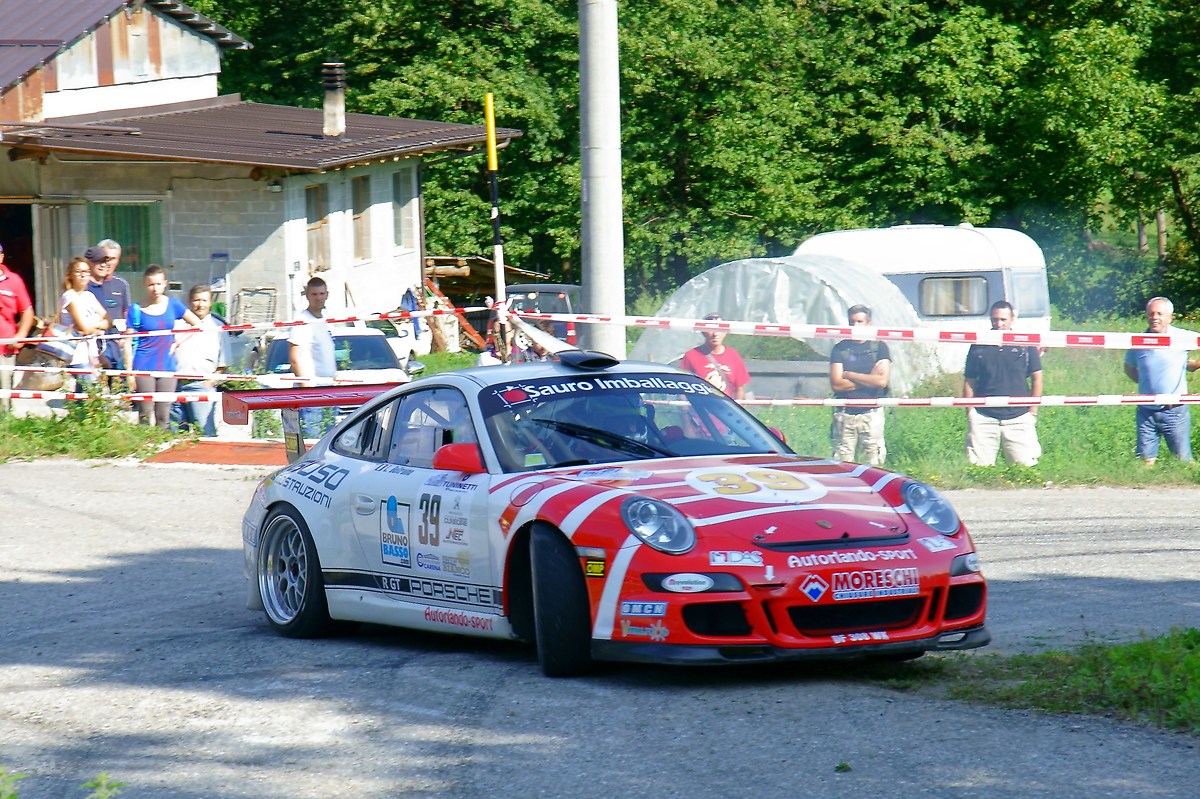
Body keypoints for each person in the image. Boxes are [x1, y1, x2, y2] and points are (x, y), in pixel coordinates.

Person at [962, 300, 1043, 467]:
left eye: (1003, 320)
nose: (998, 324)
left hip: (1018, 417)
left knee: (1025, 470)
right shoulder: (979, 345)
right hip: (984, 418)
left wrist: (1032, 412)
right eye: (995, 319)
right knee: (978, 471)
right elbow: (969, 381)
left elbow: (1037, 378)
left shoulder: (1025, 344)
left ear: (1012, 319)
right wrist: (970, 413)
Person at [1123, 296, 1200, 465]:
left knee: (1184, 462)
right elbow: (1128, 368)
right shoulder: (1138, 340)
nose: (1155, 317)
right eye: (1151, 314)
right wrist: (1146, 385)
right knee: (1145, 464)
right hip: (1146, 411)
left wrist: (1194, 364)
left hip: (1175, 411)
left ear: (1170, 317)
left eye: (1159, 313)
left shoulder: (1182, 337)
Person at [126, 264, 200, 428]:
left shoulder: (173, 304)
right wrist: (129, 372)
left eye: (158, 284)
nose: (155, 288)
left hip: (166, 365)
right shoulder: (136, 309)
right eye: (151, 284)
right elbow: (127, 342)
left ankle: (160, 446)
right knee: (145, 412)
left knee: (163, 414)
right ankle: (143, 448)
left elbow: (196, 324)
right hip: (143, 365)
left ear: (165, 283)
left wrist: (178, 342)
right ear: (145, 285)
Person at [829, 304, 891, 465]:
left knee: (872, 464)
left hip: (871, 414)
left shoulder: (879, 348)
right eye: (852, 322)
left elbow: (882, 381)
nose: (855, 326)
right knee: (841, 464)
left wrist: (849, 375)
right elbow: (836, 385)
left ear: (868, 324)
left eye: (859, 321)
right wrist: (870, 379)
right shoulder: (840, 349)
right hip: (845, 414)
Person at [171, 284, 230, 436]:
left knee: (205, 433)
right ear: (190, 302)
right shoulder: (178, 324)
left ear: (210, 303)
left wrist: (209, 383)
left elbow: (224, 363)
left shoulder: (218, 328)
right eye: (196, 300)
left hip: (201, 386)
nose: (200, 304)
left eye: (204, 300)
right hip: (175, 385)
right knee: (175, 434)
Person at [289, 277, 337, 436]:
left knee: (329, 439)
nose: (318, 297)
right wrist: (307, 388)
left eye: (321, 293)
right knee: (313, 440)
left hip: (329, 388)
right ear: (307, 296)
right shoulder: (302, 321)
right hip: (312, 390)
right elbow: (295, 356)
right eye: (314, 294)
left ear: (327, 295)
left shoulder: (325, 320)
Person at [58, 257, 111, 389]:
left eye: (86, 271)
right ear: (70, 275)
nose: (83, 275)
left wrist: (96, 325)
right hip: (76, 356)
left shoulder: (89, 296)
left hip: (92, 353)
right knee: (93, 396)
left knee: (85, 400)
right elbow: (84, 327)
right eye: (78, 271)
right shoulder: (69, 296)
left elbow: (108, 320)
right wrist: (97, 324)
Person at [83, 242, 132, 378]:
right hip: (94, 343)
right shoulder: (86, 286)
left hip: (117, 343)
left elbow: (127, 314)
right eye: (105, 259)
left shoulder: (121, 284)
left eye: (112, 259)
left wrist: (126, 339)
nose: (107, 263)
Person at [679, 313, 751, 399]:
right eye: (711, 329)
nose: (715, 334)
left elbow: (740, 389)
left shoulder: (733, 356)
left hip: (725, 410)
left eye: (720, 329)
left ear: (725, 332)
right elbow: (682, 387)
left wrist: (737, 410)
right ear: (703, 332)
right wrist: (686, 408)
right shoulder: (691, 356)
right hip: (700, 410)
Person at [0, 242, 34, 411]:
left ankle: (6, 429)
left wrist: (20, 335)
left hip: (4, 348)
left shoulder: (14, 281)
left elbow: (27, 310)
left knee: (4, 397)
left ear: (1, 257)